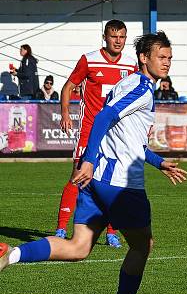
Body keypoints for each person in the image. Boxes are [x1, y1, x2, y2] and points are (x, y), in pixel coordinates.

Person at [0, 31, 187, 294]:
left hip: (97, 179)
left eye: (169, 58)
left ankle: (11, 254)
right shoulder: (140, 87)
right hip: (120, 183)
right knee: (142, 246)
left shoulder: (127, 83)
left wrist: (158, 161)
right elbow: (102, 119)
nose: (167, 63)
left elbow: (129, 139)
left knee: (78, 248)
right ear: (143, 57)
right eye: (161, 57)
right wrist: (86, 159)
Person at [55, 20, 138, 248]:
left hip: (116, 134)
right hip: (89, 131)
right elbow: (67, 87)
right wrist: (65, 113)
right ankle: (61, 228)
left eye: (122, 37)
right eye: (114, 36)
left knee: (113, 181)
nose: (118, 41)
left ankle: (112, 232)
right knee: (77, 177)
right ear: (105, 37)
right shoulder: (89, 59)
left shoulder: (131, 66)